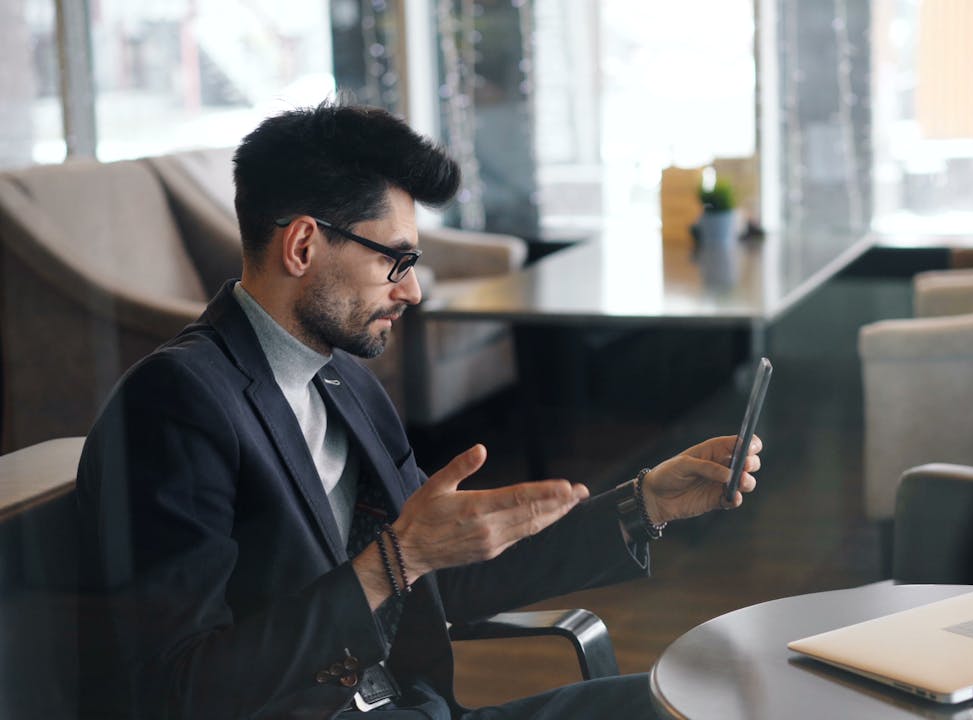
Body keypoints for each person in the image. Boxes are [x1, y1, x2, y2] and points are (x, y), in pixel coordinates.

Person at [74, 101, 762, 720]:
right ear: (303, 245)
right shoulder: (176, 405)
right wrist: (392, 563)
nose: (412, 293)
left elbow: (438, 571)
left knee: (706, 706)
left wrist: (644, 505)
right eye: (394, 261)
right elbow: (176, 692)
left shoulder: (346, 383)